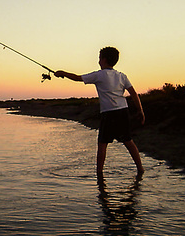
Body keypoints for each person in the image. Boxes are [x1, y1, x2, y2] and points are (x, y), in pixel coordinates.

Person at [54, 47, 145, 179]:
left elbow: (77, 78)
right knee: (128, 140)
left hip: (108, 113)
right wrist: (140, 110)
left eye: (99, 58)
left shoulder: (99, 75)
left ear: (104, 59)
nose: (98, 61)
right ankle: (140, 168)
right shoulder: (122, 76)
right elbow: (134, 94)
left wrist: (62, 73)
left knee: (102, 143)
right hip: (123, 112)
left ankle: (99, 174)